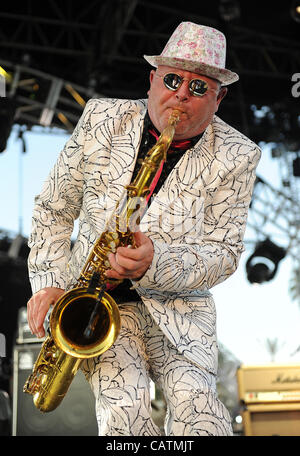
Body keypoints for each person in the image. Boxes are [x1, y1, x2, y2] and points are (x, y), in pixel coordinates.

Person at [26, 22, 261, 436]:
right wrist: (49, 284)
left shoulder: (239, 155)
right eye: (172, 79)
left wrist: (155, 261)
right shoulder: (102, 117)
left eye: (199, 87)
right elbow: (53, 210)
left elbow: (223, 253)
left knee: (201, 416)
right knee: (124, 420)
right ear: (153, 79)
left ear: (219, 97)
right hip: (96, 304)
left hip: (180, 312)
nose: (181, 94)